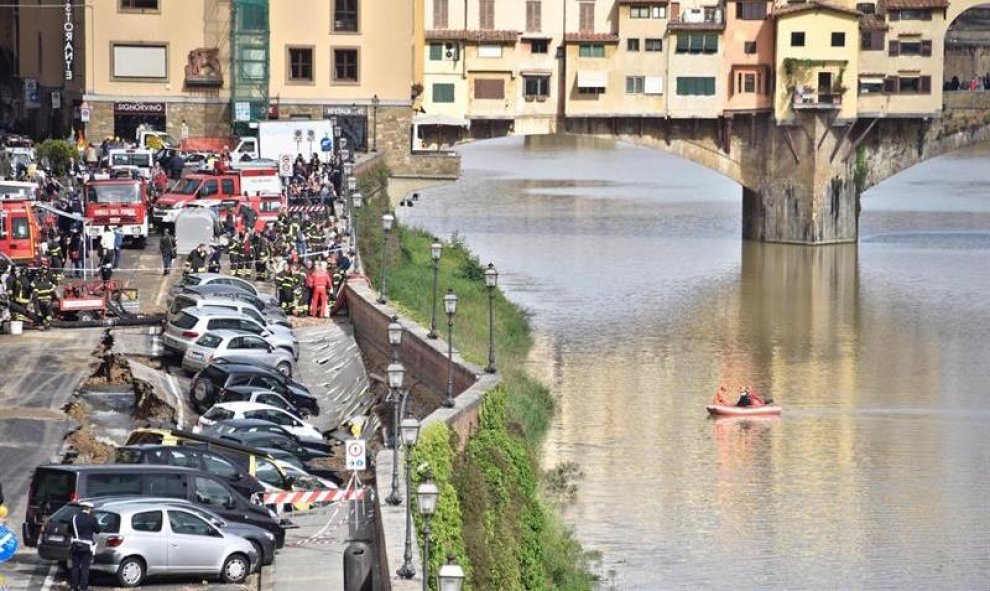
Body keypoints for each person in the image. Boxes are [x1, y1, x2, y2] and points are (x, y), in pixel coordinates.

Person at [69, 501, 100, 591]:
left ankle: (74, 587)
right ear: (89, 509)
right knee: (85, 568)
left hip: (75, 544)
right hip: (86, 546)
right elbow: (98, 530)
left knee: (75, 567)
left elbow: (69, 529)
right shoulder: (92, 519)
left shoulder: (74, 518)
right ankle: (83, 587)